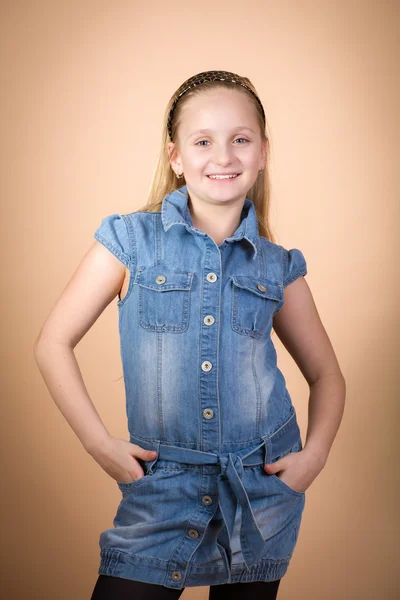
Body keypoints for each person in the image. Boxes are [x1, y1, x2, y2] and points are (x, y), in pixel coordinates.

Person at [33, 70, 346, 599]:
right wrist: (98, 444)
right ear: (176, 156)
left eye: (240, 140)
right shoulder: (128, 241)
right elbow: (51, 344)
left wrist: (312, 458)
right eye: (203, 141)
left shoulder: (278, 265)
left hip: (260, 493)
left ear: (263, 152)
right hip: (161, 487)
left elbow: (327, 375)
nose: (223, 157)